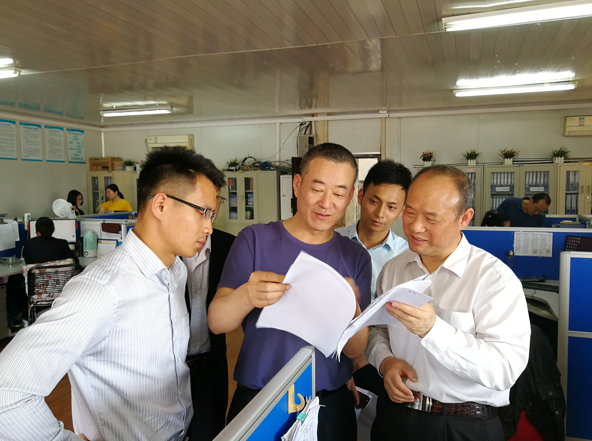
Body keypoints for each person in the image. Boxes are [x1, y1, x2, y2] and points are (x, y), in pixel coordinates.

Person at [0, 147, 225, 441]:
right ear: (161, 205)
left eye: (212, 215)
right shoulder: (102, 290)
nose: (209, 227)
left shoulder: (176, 272)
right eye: (203, 212)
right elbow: (7, 393)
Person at [208, 143, 372, 441]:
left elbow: (355, 351)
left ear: (350, 197)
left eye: (338, 194)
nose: (326, 203)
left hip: (327, 404)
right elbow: (217, 322)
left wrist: (351, 307)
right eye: (317, 189)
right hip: (260, 399)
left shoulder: (355, 256)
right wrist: (247, 295)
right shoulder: (255, 239)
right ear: (297, 185)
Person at [366, 165, 530, 441]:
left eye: (431, 218)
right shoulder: (394, 269)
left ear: (464, 218)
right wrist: (386, 361)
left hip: (462, 424)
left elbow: (504, 370)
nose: (415, 227)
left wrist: (433, 330)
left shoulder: (494, 280)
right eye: (410, 212)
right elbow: (379, 330)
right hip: (395, 415)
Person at [335, 160, 412, 414]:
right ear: (360, 197)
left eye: (391, 207)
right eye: (374, 201)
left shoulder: (407, 258)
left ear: (402, 210)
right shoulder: (333, 242)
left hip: (381, 357)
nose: (380, 213)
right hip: (334, 354)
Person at [184, 191, 235, 441]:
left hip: (211, 360)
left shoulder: (229, 246)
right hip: (170, 366)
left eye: (216, 197)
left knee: (213, 429)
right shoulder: (165, 249)